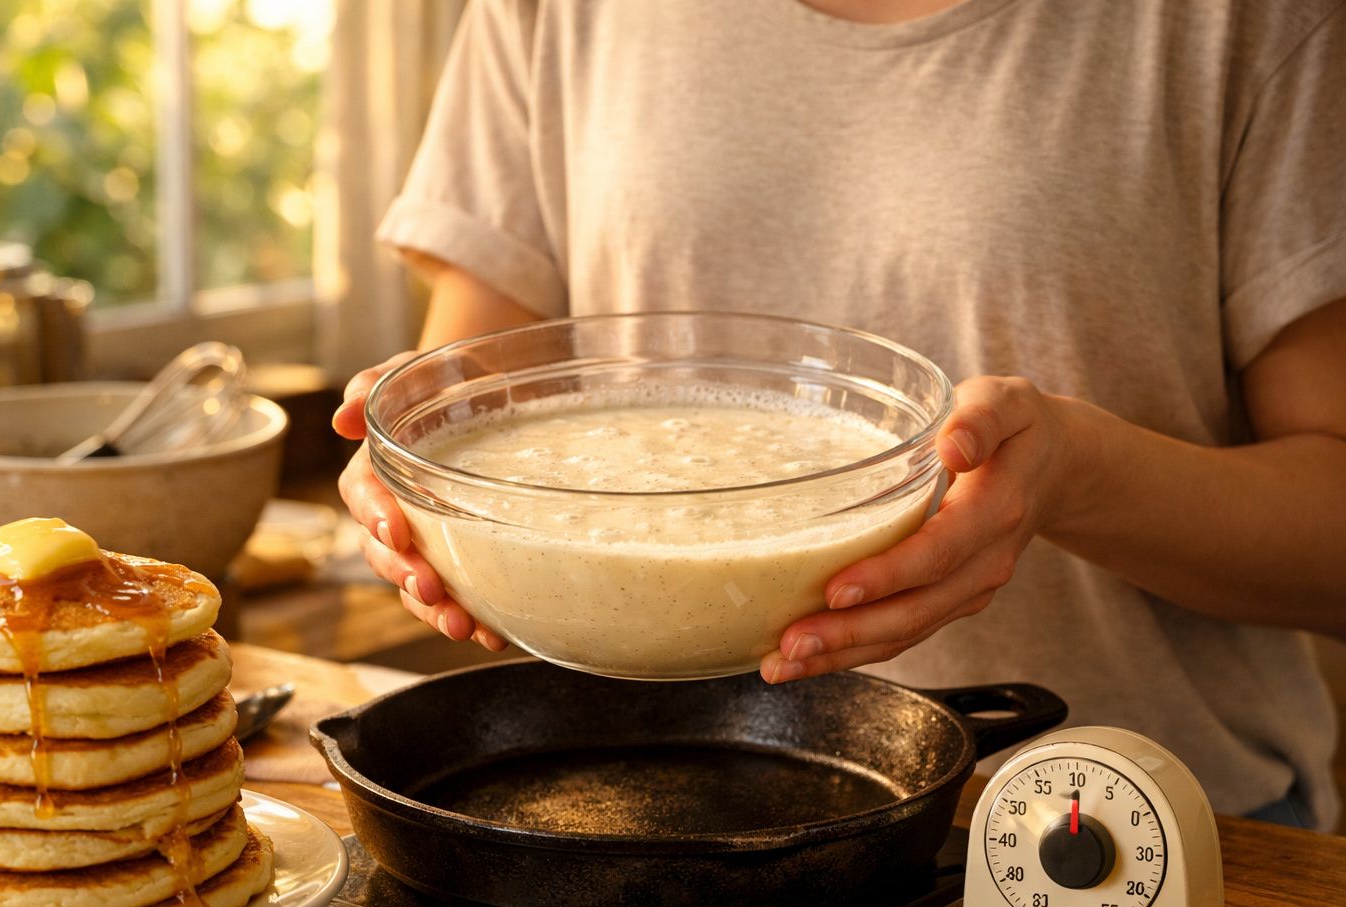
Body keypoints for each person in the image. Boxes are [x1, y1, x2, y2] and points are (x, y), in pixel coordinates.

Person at [331, 0, 1346, 829]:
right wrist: (402, 488)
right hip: (645, 814)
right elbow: (464, 395)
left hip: (1125, 828)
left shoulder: (1252, 22)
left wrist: (1073, 472)